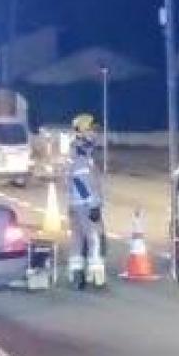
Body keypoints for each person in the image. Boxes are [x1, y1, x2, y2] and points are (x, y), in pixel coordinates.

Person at [67, 114, 106, 289]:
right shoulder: (81, 154)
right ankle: (96, 275)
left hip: (74, 205)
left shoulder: (78, 151)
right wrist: (93, 205)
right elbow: (81, 183)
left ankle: (76, 275)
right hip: (84, 205)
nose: (95, 133)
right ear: (83, 131)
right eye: (92, 129)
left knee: (77, 239)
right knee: (94, 239)